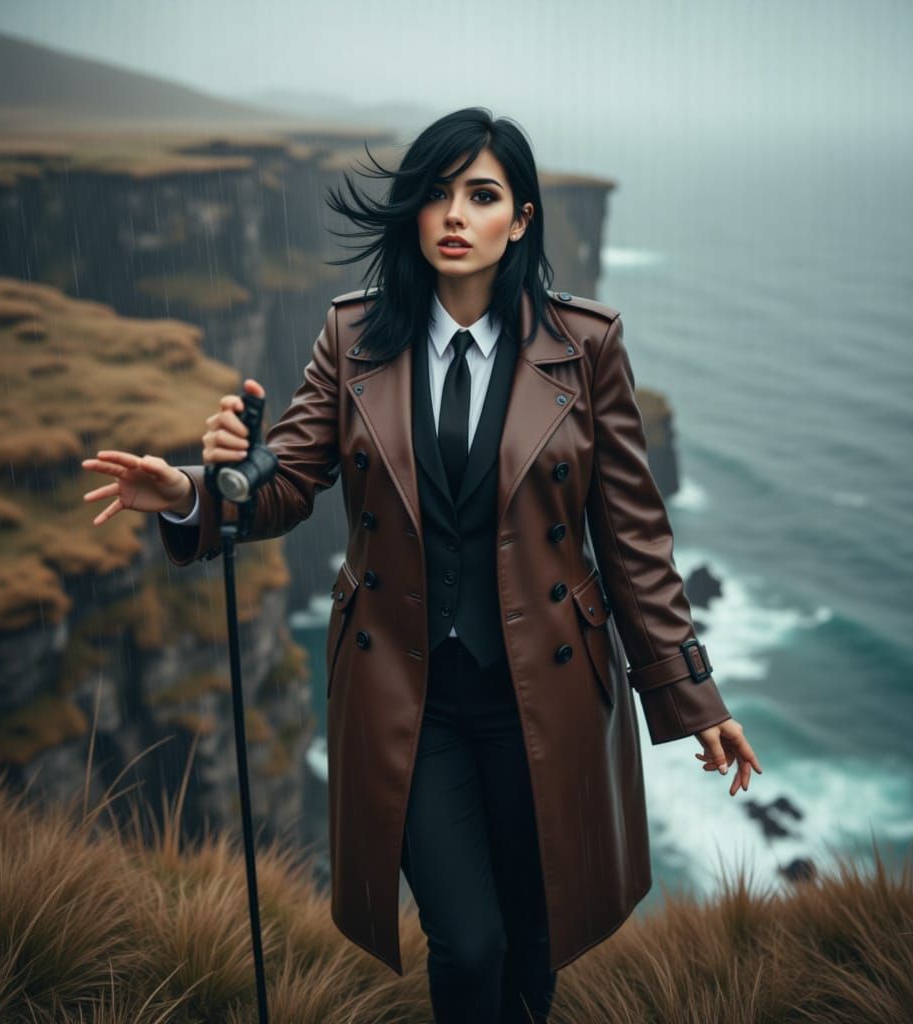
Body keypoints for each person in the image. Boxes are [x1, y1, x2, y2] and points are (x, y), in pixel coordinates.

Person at [82, 107, 761, 1024]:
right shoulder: (352, 336)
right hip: (408, 694)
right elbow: (283, 480)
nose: (454, 213)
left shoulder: (587, 347)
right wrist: (200, 491)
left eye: (480, 195)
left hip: (551, 701)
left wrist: (694, 696)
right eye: (436, 193)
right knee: (467, 942)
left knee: (532, 940)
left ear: (519, 219)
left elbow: (636, 541)